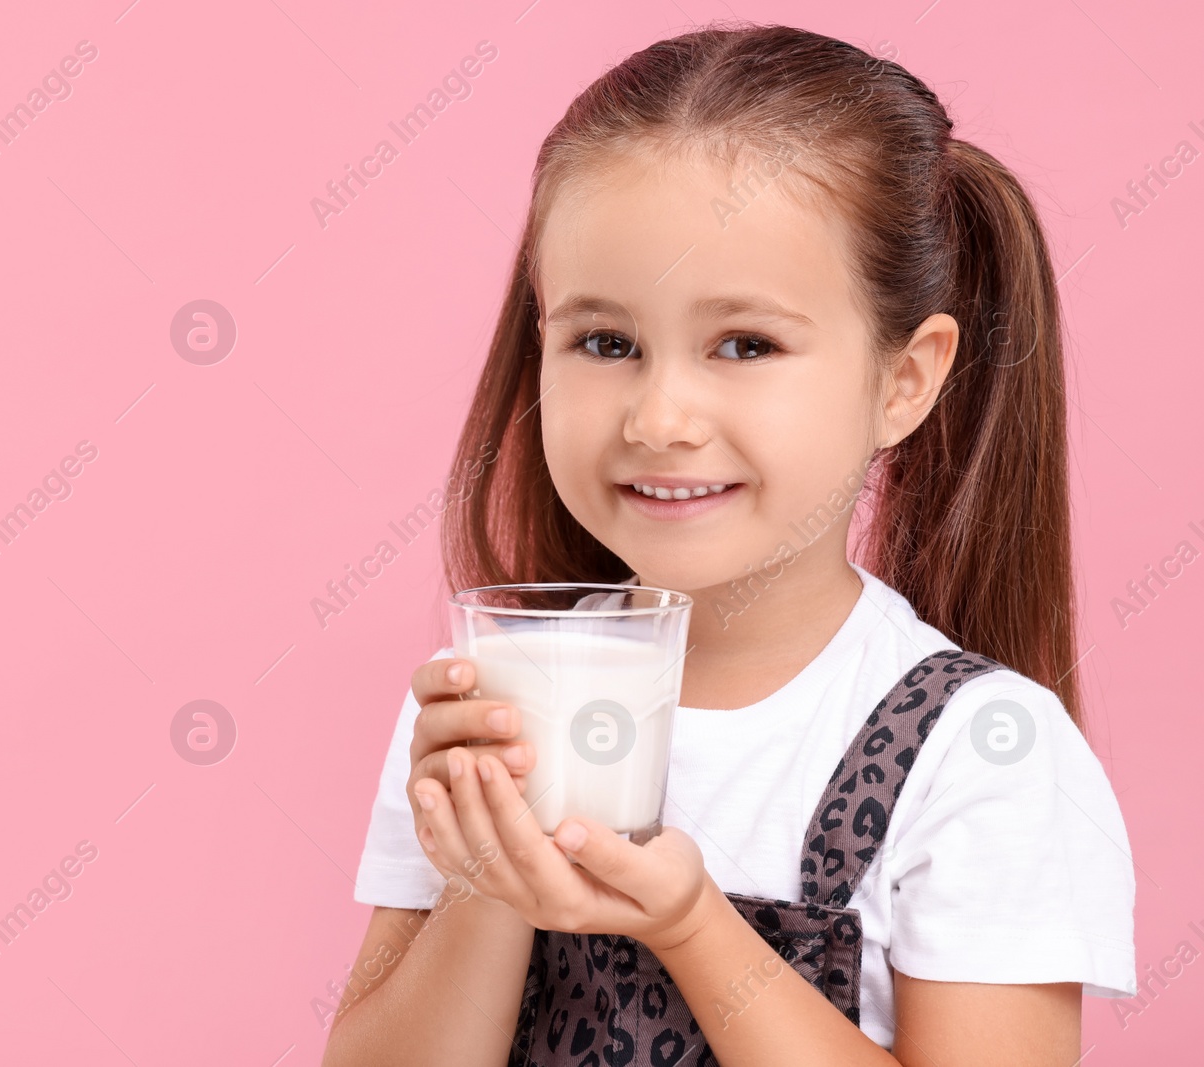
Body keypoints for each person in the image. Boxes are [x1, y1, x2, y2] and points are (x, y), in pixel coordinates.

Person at [320, 21, 1137, 1067]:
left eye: (744, 344)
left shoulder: (981, 756)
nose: (659, 416)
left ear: (903, 379)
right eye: (604, 341)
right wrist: (492, 872)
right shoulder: (491, 699)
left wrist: (692, 926)